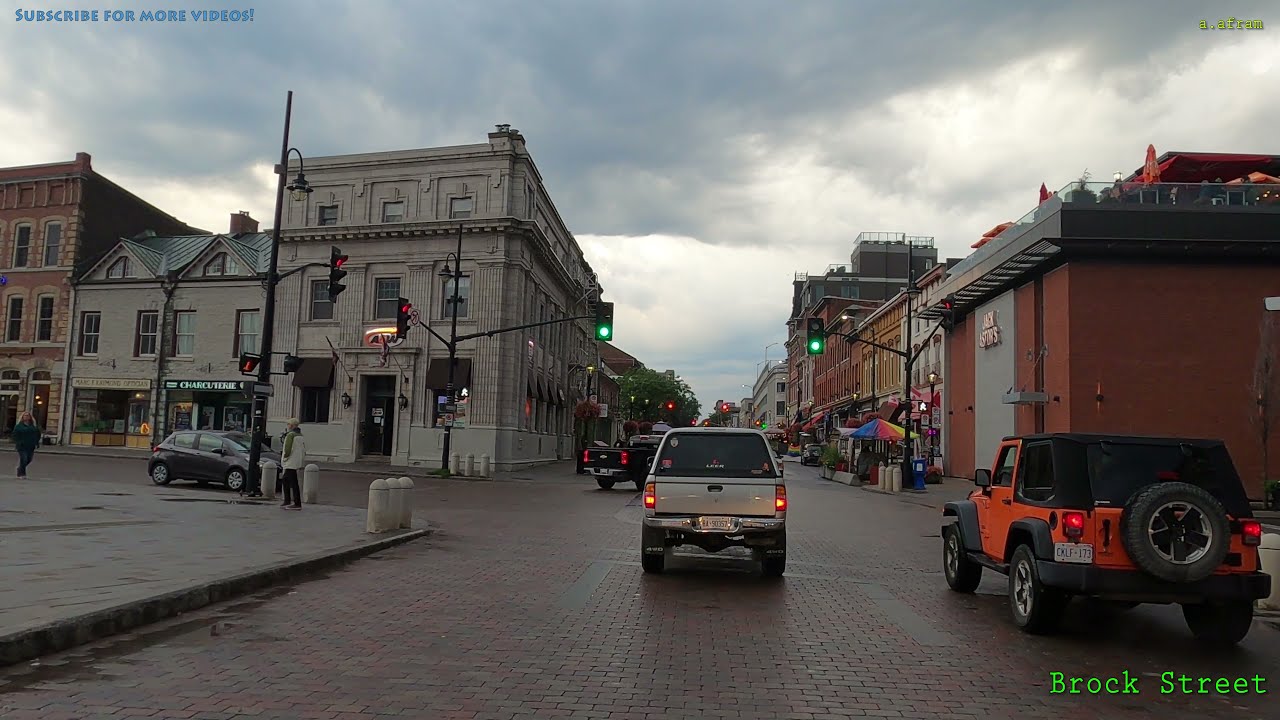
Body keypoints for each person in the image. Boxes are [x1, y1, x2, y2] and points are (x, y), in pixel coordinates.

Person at [279, 419, 306, 510]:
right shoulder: (300, 435)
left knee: (292, 482)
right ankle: (287, 500)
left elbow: (287, 448)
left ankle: (296, 503)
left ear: (292, 425)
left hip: (290, 462)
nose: (288, 425)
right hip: (296, 461)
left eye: (289, 424)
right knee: (286, 480)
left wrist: (285, 457)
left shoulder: (290, 435)